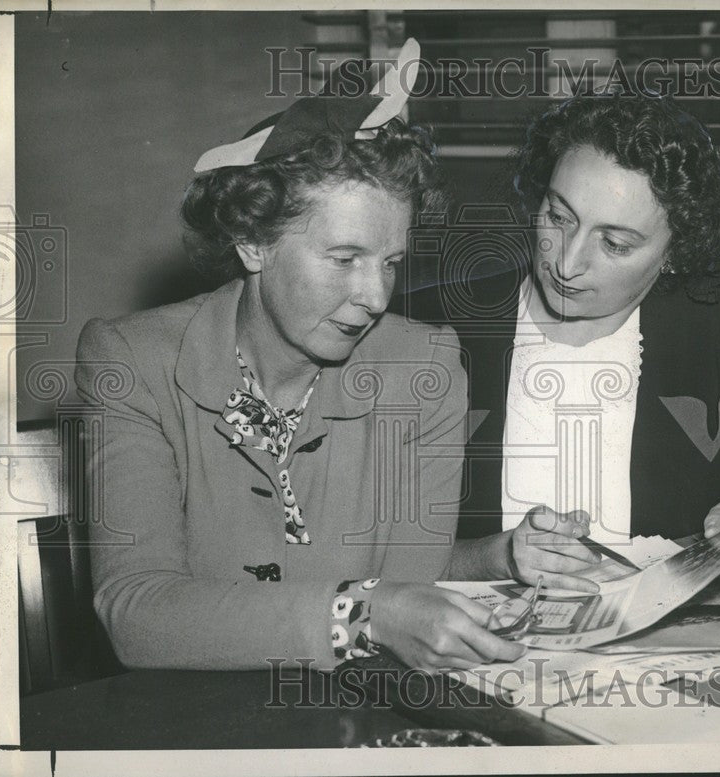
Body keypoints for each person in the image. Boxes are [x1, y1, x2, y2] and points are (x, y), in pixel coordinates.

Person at [75, 43, 524, 674]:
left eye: (390, 263)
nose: (374, 297)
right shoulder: (132, 363)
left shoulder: (425, 368)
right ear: (254, 242)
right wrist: (358, 616)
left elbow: (411, 588)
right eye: (344, 259)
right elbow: (137, 612)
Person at [402, 91, 720, 591]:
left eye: (616, 244)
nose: (566, 262)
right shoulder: (432, 325)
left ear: (675, 252)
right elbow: (339, 547)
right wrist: (492, 559)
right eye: (559, 217)